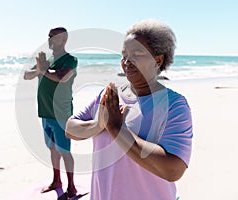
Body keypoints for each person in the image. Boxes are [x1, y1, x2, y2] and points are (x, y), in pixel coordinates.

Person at [65, 19, 193, 200]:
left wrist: (117, 130)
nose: (127, 61)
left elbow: (173, 169)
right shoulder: (109, 95)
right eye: (124, 54)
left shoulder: (174, 105)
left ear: (158, 60)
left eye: (137, 53)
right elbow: (70, 128)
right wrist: (97, 124)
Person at [24, 27, 78, 198]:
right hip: (45, 112)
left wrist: (43, 71)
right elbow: (27, 75)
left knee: (64, 151)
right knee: (53, 149)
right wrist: (38, 70)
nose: (49, 39)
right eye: (49, 36)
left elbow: (62, 76)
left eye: (53, 36)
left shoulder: (70, 60)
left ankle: (72, 187)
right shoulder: (45, 59)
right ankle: (56, 181)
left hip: (61, 113)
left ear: (63, 40)